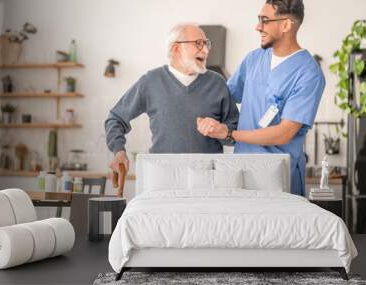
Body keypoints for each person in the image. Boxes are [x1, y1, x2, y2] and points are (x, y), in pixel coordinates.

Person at [196, 0, 325, 196]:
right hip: (241, 171)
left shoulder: (308, 73)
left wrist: (230, 134)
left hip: (278, 177)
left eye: (264, 20)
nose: (258, 27)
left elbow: (284, 133)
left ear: (286, 25)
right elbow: (224, 98)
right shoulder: (254, 59)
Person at [105, 23, 239, 177]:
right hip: (163, 177)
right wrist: (118, 151)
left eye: (207, 44)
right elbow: (115, 118)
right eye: (199, 44)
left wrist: (222, 131)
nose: (206, 50)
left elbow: (234, 133)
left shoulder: (217, 82)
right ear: (176, 49)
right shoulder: (151, 81)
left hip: (208, 179)